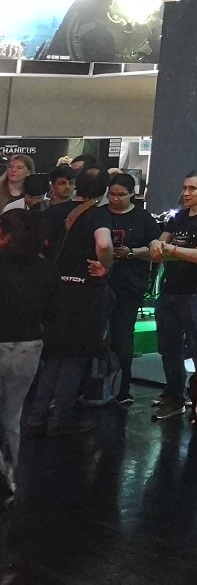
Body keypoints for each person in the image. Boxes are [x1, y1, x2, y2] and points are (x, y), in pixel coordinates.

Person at [20, 165, 110, 435]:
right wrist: (105, 266)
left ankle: (36, 416)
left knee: (52, 356)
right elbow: (104, 244)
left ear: (76, 184)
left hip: (53, 292)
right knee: (74, 358)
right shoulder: (98, 215)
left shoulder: (52, 212)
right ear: (104, 190)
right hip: (82, 293)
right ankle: (59, 419)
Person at [148, 169, 197, 420]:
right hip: (171, 290)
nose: (186, 193)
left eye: (192, 188)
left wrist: (168, 248)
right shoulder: (179, 217)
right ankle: (175, 395)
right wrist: (156, 244)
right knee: (168, 347)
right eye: (184, 188)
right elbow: (159, 244)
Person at [0, 208, 54, 504]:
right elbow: (52, 313)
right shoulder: (46, 268)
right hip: (29, 346)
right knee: (12, 415)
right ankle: (9, 481)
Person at [93, 171, 153, 408]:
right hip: (100, 284)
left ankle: (122, 387)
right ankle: (96, 386)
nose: (115, 199)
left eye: (121, 195)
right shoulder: (100, 214)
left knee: (122, 336)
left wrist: (130, 253)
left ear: (132, 194)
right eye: (112, 194)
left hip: (129, 285)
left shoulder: (143, 218)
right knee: (96, 336)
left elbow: (154, 249)